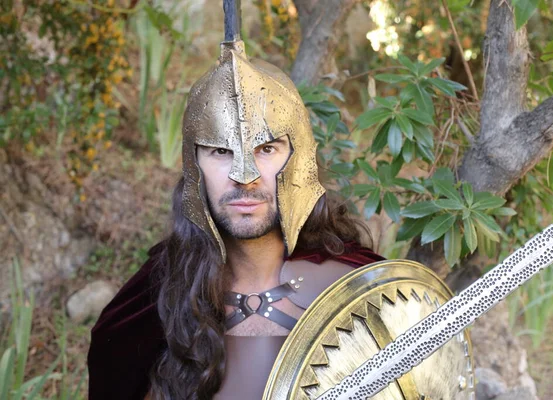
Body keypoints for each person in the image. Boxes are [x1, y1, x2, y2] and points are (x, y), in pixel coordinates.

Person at [86, 34, 384, 399]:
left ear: (301, 159)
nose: (244, 175)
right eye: (220, 151)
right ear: (194, 167)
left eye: (266, 148)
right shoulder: (154, 299)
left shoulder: (359, 289)